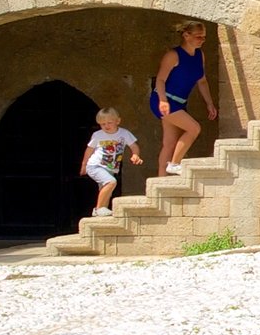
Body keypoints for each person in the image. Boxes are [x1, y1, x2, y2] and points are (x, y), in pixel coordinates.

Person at [151, 20, 220, 175]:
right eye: (198, 37)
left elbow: (202, 81)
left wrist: (209, 103)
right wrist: (162, 100)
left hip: (180, 102)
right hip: (164, 100)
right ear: (186, 35)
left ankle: (160, 180)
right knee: (194, 128)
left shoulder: (199, 55)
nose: (202, 40)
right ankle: (174, 164)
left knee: (169, 143)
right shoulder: (173, 55)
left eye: (204, 37)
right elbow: (160, 79)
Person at [80, 107, 142, 215]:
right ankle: (98, 209)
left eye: (109, 123)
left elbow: (134, 146)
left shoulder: (124, 133)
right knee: (111, 182)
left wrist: (135, 155)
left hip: (110, 168)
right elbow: (89, 150)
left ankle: (102, 211)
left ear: (117, 121)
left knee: (106, 190)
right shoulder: (97, 135)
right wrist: (84, 165)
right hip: (95, 166)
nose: (106, 126)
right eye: (103, 124)